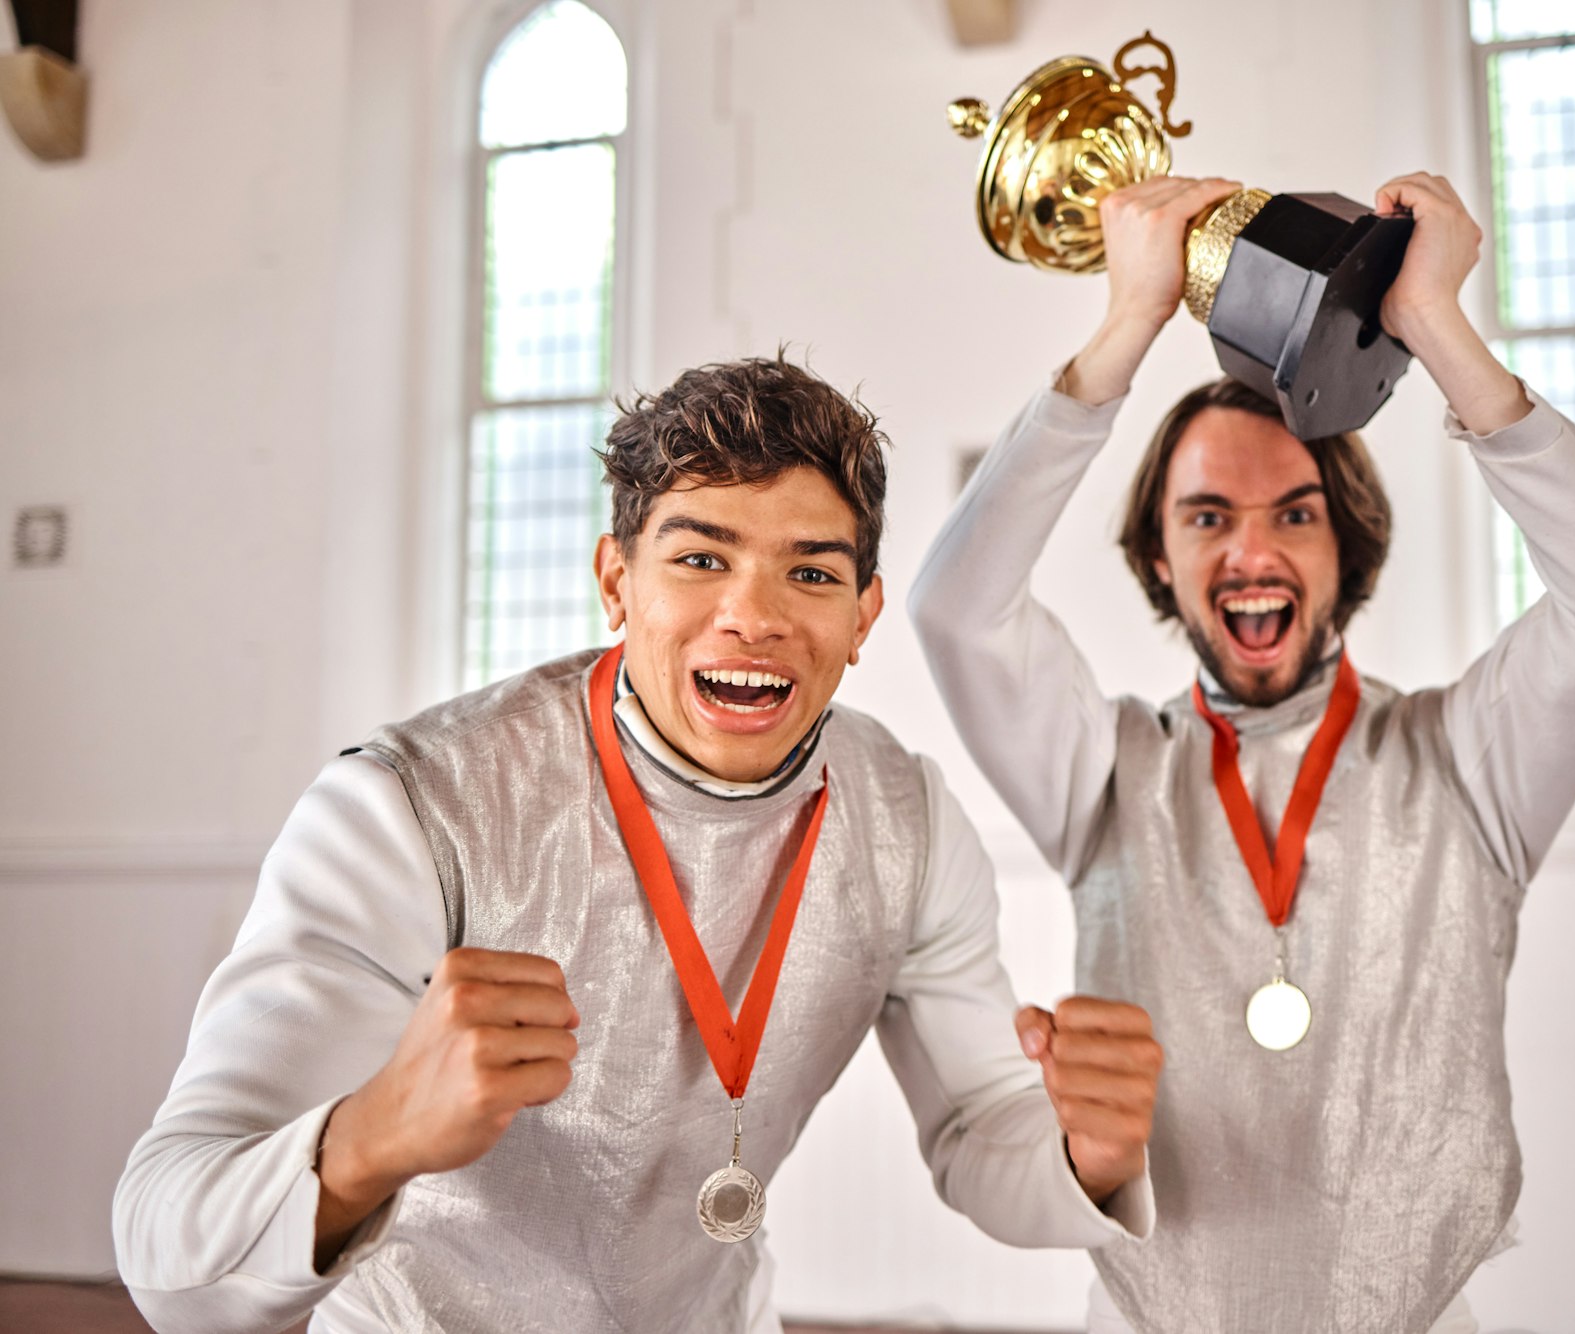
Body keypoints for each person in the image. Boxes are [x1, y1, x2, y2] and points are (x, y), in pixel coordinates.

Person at [114, 354, 1161, 1334]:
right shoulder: (408, 806)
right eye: (700, 557)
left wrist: (1086, 1149)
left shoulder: (907, 818)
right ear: (616, 581)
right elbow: (167, 1257)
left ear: (862, 613)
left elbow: (982, 1133)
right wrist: (371, 1134)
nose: (751, 615)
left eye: (809, 572)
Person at [909, 173, 1575, 1333]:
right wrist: (1126, 323)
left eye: (1293, 511)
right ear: (1158, 559)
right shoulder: (1103, 768)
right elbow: (956, 612)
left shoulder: (1468, 761)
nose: (1250, 548)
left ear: (1348, 543)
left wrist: (1430, 323)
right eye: (1206, 515)